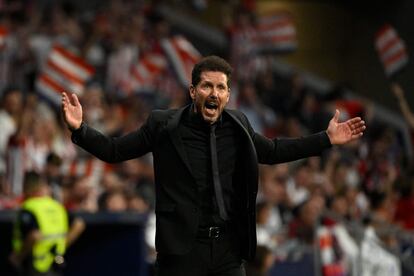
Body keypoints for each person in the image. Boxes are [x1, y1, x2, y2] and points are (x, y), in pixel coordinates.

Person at [61, 55, 365, 276]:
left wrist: (325, 139)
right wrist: (80, 129)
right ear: (193, 91)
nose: (214, 93)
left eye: (221, 88)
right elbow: (115, 151)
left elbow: (272, 151)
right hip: (181, 251)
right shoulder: (163, 125)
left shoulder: (239, 125)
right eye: (207, 86)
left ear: (228, 95)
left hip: (227, 251)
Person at [9, 171, 85, 276]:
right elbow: (79, 224)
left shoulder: (30, 207)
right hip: (56, 260)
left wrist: (18, 257)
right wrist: (62, 245)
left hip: (35, 264)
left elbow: (35, 235)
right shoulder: (57, 206)